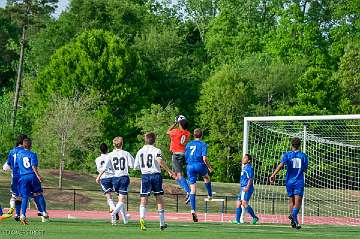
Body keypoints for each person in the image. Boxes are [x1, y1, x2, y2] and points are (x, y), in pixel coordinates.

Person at [134, 132, 175, 231]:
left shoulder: (140, 151)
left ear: (145, 140)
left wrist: (145, 168)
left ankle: (142, 219)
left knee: (144, 198)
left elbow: (136, 167)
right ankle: (162, 223)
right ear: (154, 140)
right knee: (159, 198)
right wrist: (169, 171)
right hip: (156, 175)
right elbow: (160, 161)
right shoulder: (156, 150)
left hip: (145, 176)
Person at [269, 137, 308, 229]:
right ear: (300, 145)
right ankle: (293, 215)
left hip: (289, 181)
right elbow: (305, 169)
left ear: (291, 145)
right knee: (298, 201)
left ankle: (294, 222)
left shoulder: (287, 155)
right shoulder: (303, 156)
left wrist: (273, 175)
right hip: (298, 181)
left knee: (292, 201)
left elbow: (281, 165)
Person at [16, 138, 48, 224]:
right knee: (38, 194)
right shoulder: (32, 154)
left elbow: (17, 167)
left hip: (23, 177)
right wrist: (38, 176)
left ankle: (22, 215)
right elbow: (33, 166)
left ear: (23, 145)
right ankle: (44, 212)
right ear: (31, 145)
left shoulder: (19, 155)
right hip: (32, 176)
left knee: (24, 196)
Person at [103, 137, 134, 225]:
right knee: (121, 200)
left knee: (121, 199)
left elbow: (105, 167)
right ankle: (113, 213)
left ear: (113, 145)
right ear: (122, 144)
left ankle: (125, 220)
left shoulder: (110, 154)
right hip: (124, 177)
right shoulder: (126, 153)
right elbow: (132, 165)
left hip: (115, 178)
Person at [185, 128, 213, 222]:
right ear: (201, 135)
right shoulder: (203, 144)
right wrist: (209, 167)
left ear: (194, 135)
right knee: (206, 177)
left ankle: (193, 210)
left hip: (190, 166)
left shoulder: (188, 144)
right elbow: (204, 158)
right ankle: (209, 195)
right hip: (199, 164)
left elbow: (186, 156)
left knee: (193, 189)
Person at [2, 134, 27, 221]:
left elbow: (6, 166)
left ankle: (13, 212)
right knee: (24, 196)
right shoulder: (26, 151)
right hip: (25, 176)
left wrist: (4, 168)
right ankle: (19, 213)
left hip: (15, 177)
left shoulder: (12, 151)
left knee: (14, 196)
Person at [167, 115, 191, 203]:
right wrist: (180, 122)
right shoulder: (187, 133)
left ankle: (189, 191)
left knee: (179, 175)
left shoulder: (175, 131)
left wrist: (175, 123)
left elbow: (167, 131)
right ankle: (188, 186)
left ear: (179, 124)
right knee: (174, 175)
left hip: (176, 155)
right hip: (182, 154)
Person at [231, 154, 259, 224]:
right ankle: (237, 221)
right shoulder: (244, 168)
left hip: (247, 188)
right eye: (243, 157)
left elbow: (250, 179)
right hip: (242, 188)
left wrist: (247, 187)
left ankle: (254, 217)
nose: (243, 158)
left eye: (245, 158)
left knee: (244, 203)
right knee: (238, 203)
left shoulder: (249, 168)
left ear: (249, 160)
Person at [95, 143, 116, 215]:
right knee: (119, 195)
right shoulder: (111, 156)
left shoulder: (97, 159)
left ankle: (114, 209)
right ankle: (113, 209)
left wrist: (98, 177)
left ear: (100, 150)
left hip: (104, 178)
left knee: (108, 195)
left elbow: (99, 170)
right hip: (113, 177)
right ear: (107, 149)